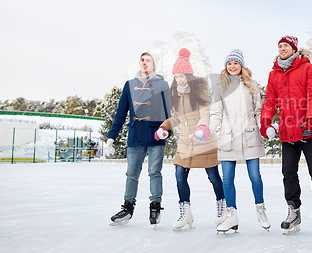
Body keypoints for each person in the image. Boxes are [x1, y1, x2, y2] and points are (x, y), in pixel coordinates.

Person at [260, 35, 312, 234]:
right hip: (287, 131)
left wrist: (311, 120)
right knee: (288, 173)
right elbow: (270, 100)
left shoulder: (308, 68)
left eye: (286, 46)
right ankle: (293, 210)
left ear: (294, 49)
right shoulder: (274, 73)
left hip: (309, 130)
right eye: (280, 46)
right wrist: (265, 121)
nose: (282, 49)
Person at [155, 48, 226, 231]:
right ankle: (185, 213)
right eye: (176, 76)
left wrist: (203, 128)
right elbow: (177, 118)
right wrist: (165, 126)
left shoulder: (199, 92)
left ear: (189, 75)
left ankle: (222, 206)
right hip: (186, 142)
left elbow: (205, 113)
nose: (179, 79)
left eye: (182, 76)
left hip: (204, 141)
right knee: (179, 176)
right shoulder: (175, 95)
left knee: (213, 176)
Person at [108, 51, 172, 227]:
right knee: (131, 174)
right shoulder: (129, 85)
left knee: (154, 172)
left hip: (155, 135)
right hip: (135, 135)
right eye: (142, 60)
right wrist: (112, 135)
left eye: (148, 60)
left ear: (154, 65)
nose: (144, 63)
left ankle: (155, 207)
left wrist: (167, 130)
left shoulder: (163, 84)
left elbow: (168, 112)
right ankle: (128, 208)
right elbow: (121, 112)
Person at [209, 49, 270, 233]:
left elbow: (259, 110)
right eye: (229, 63)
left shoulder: (251, 84)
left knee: (255, 177)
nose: (232, 66)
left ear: (241, 65)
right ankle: (231, 215)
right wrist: (207, 130)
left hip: (250, 135)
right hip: (228, 137)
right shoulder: (220, 87)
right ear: (225, 66)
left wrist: (265, 126)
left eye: (235, 63)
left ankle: (261, 210)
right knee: (227, 178)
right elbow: (216, 113)